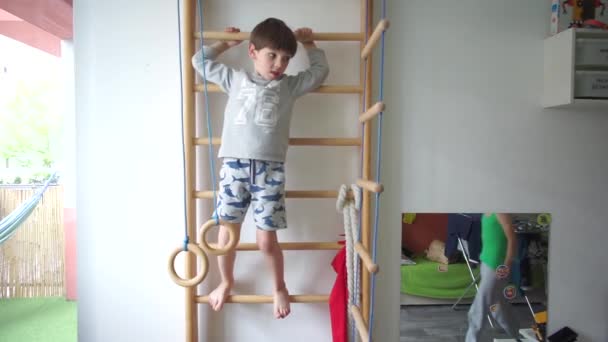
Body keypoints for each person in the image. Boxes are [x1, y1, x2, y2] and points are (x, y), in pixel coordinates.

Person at [192, 17, 329, 319]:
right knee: (227, 235)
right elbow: (198, 60)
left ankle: (279, 286)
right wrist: (225, 45)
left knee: (266, 240)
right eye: (272, 55)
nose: (279, 63)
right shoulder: (235, 78)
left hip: (269, 172)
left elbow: (320, 72)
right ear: (253, 52)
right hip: (234, 167)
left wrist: (309, 45)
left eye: (285, 58)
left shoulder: (289, 86)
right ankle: (226, 281)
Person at [466, 213, 521, 341]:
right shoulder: (486, 210)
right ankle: (517, 335)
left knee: (479, 306)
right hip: (486, 261)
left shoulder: (500, 210)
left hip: (497, 264)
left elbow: (512, 238)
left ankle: (471, 339)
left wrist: (506, 265)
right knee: (497, 306)